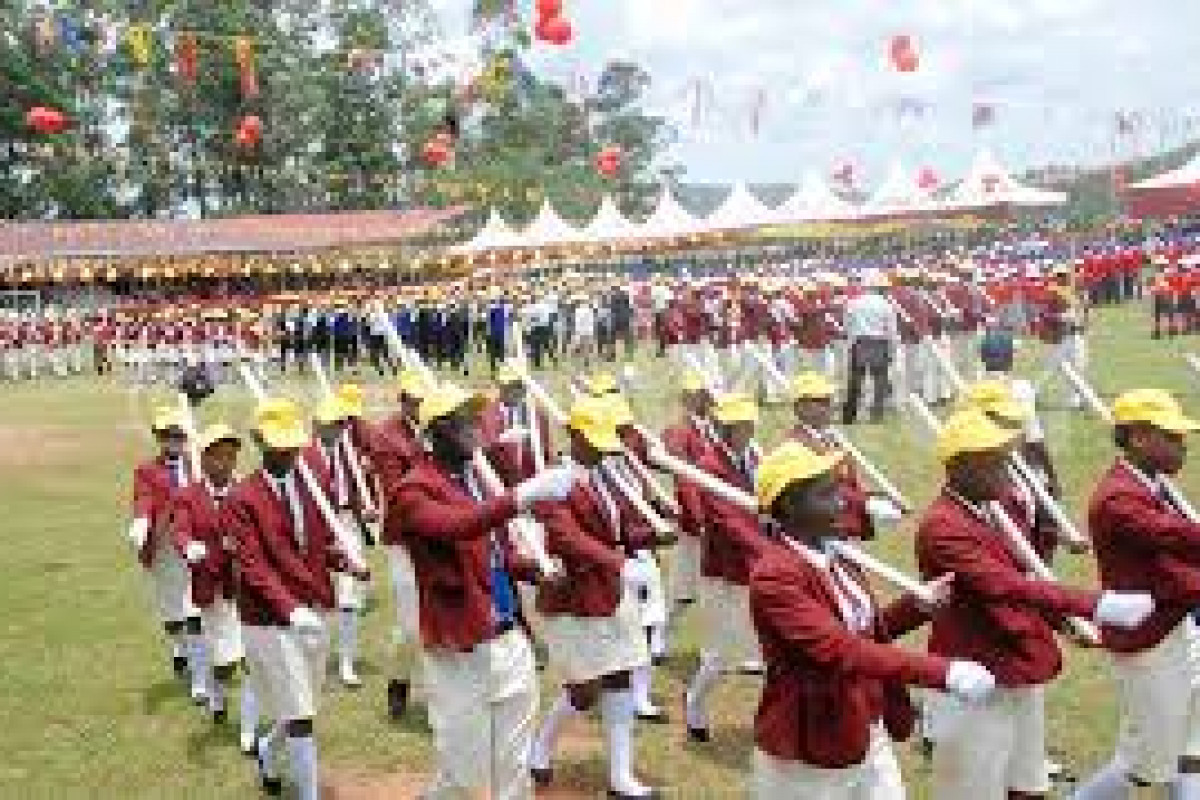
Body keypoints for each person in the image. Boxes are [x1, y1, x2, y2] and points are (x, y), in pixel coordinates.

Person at [915, 408, 1154, 800]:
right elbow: (1006, 586)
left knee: (1027, 783)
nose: (1008, 466)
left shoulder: (990, 509)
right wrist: (1095, 605)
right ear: (960, 467)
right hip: (977, 676)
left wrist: (1062, 621)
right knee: (976, 787)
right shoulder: (944, 527)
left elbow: (1027, 576)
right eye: (994, 459)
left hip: (1017, 665)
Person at [750, 440, 997, 799]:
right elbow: (841, 648)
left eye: (837, 490)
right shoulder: (775, 577)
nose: (840, 502)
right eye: (824, 495)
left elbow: (864, 630)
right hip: (812, 743)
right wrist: (945, 672)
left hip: (866, 722)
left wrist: (915, 608)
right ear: (789, 506)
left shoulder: (838, 553)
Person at [390, 381, 577, 799]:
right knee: (464, 770)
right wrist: (522, 495)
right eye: (464, 421)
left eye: (476, 417)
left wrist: (533, 571)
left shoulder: (477, 478)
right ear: (437, 432)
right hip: (460, 645)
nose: (477, 426)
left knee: (513, 765)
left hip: (508, 636)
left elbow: (494, 553)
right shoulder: (413, 490)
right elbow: (458, 527)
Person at [224, 398, 364, 800]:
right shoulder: (241, 500)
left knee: (303, 705)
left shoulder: (311, 487)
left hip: (315, 609)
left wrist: (345, 562)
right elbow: (253, 566)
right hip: (269, 620)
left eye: (292, 446)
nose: (287, 454)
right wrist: (290, 608)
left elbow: (315, 545)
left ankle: (269, 750)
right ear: (259, 443)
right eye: (278, 447)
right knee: (302, 716)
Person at [529, 396, 666, 798]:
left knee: (621, 674)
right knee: (584, 691)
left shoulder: (606, 476)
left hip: (609, 592)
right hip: (571, 600)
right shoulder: (553, 481)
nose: (603, 450)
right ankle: (540, 748)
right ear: (573, 436)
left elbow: (619, 528)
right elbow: (565, 537)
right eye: (594, 442)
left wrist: (652, 534)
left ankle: (620, 778)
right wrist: (618, 562)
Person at [1074, 389, 1200, 799]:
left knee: (1188, 741)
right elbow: (1172, 540)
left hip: (1173, 627)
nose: (1184, 445)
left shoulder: (1151, 483)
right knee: (1145, 762)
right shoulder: (1118, 498)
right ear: (1140, 437)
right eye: (1173, 437)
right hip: (1147, 640)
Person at [684, 392, 768, 741]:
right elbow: (727, 521)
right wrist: (767, 550)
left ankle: (770, 722)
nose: (747, 430)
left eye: (750, 424)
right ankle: (694, 705)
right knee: (719, 655)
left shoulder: (756, 457)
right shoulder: (710, 467)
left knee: (769, 650)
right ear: (724, 426)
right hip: (725, 572)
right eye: (739, 425)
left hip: (756, 569)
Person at [171, 423, 259, 752]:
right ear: (203, 459)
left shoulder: (249, 490)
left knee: (251, 660)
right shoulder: (188, 496)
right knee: (224, 662)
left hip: (247, 589)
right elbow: (180, 530)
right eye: (217, 455)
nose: (225, 462)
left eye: (231, 455)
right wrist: (188, 546)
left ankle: (249, 732)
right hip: (212, 590)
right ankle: (217, 693)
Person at [128, 404, 203, 692]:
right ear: (158, 437)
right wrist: (141, 523)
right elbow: (143, 499)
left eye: (177, 434)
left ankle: (199, 677)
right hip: (165, 546)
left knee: (194, 609)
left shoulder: (197, 462)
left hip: (194, 544)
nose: (172, 439)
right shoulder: (147, 471)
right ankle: (179, 650)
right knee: (172, 612)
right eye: (165, 434)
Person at [373, 370, 431, 720]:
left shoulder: (438, 427)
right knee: (410, 626)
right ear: (402, 400)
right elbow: (398, 492)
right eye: (412, 400)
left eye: (422, 400)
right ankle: (399, 680)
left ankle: (443, 692)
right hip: (405, 540)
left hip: (440, 536)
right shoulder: (387, 438)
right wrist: (423, 448)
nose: (418, 406)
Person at [787, 371, 896, 541]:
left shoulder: (829, 437)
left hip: (843, 525)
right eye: (821, 402)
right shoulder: (796, 445)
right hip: (821, 530)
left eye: (829, 401)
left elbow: (848, 479)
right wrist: (865, 503)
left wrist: (872, 497)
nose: (830, 407)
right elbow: (820, 491)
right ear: (800, 408)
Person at [305, 396, 367, 688]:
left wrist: (365, 508)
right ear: (316, 426)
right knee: (316, 595)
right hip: (316, 529)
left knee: (350, 597)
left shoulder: (350, 452)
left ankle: (346, 662)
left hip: (347, 524)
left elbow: (357, 488)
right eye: (331, 425)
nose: (337, 430)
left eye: (341, 425)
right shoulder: (303, 457)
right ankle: (313, 658)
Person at [661, 372, 717, 615]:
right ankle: (660, 637)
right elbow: (684, 478)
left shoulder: (711, 427)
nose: (706, 400)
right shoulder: (679, 431)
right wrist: (697, 517)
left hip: (712, 513)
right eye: (698, 396)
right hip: (694, 517)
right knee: (683, 589)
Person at [842, 274, 898, 424]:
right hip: (879, 342)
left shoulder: (853, 303)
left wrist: (850, 342)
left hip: (859, 341)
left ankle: (849, 415)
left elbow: (847, 325)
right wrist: (892, 350)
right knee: (879, 382)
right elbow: (891, 330)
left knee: (855, 381)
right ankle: (876, 415)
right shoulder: (886, 305)